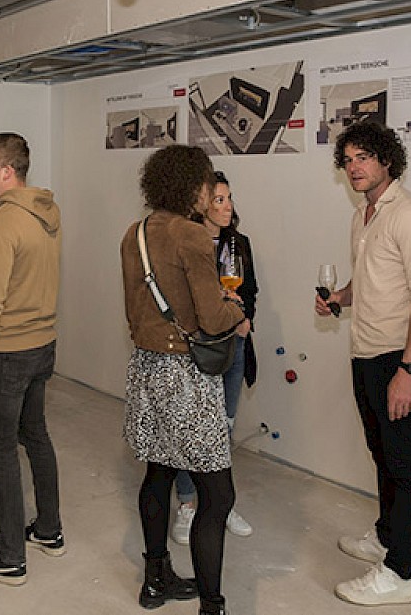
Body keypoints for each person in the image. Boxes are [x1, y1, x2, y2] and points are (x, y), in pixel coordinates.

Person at [316, 121, 411, 606]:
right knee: (382, 453)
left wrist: (409, 373)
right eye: (347, 160)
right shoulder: (364, 214)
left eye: (363, 157)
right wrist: (339, 298)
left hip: (399, 358)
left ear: (388, 159)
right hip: (365, 354)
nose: (354, 168)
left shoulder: (409, 214)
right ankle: (388, 534)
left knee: (406, 462)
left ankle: (399, 572)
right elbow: (368, 281)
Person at [120, 145, 245, 615]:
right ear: (191, 187)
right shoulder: (191, 236)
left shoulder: (134, 233)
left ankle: (155, 582)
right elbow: (213, 317)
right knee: (218, 493)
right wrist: (236, 310)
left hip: (146, 370)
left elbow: (136, 309)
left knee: (158, 473)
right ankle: (212, 605)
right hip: (185, 378)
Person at [0, 133, 63, 586]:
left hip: (6, 352)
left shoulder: (2, 224)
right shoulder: (47, 214)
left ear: (7, 170)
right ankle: (48, 530)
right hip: (42, 345)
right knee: (35, 435)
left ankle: (9, 557)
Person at [172, 171, 259, 543]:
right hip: (197, 344)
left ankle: (220, 503)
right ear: (200, 203)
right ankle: (188, 503)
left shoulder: (239, 243)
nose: (227, 207)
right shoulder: (185, 243)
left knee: (222, 426)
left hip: (233, 344)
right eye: (218, 199)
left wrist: (244, 317)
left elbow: (250, 291)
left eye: (229, 198)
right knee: (190, 427)